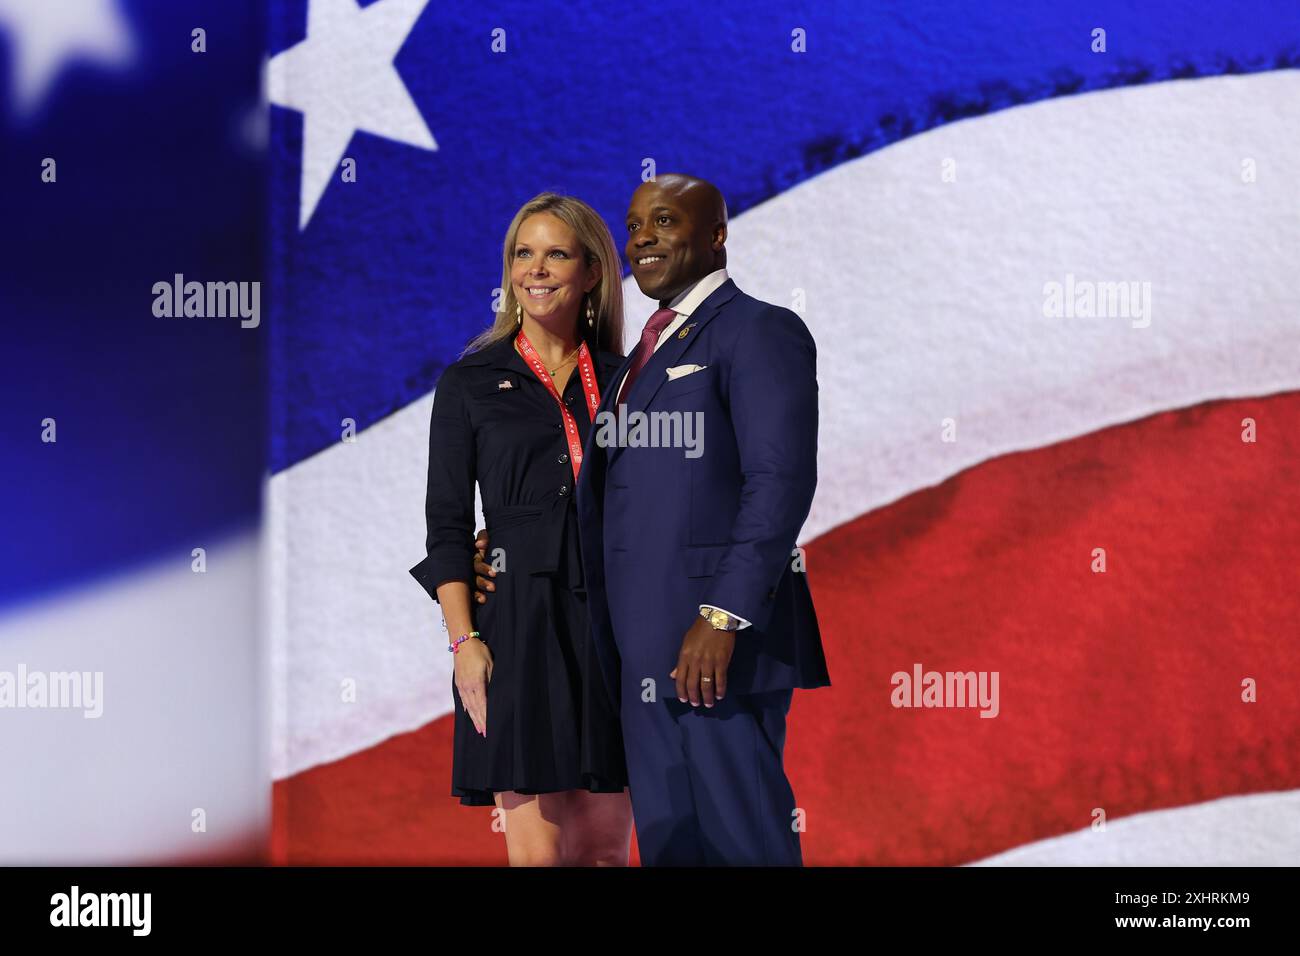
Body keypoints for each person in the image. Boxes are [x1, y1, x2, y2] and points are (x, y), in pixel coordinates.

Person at [476, 174, 830, 866]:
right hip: (640, 659)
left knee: (743, 844)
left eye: (665, 222)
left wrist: (723, 615)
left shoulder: (760, 330)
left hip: (714, 649)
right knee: (675, 849)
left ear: (717, 235)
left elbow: (780, 480)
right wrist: (513, 540)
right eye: (635, 227)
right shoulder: (640, 357)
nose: (644, 240)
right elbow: (616, 493)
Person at [408, 192, 632, 866]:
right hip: (517, 624)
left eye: (556, 253)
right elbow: (447, 524)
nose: (535, 269)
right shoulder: (469, 382)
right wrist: (463, 642)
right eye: (522, 253)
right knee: (539, 855)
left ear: (591, 272)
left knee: (603, 852)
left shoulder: (630, 381)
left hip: (616, 623)